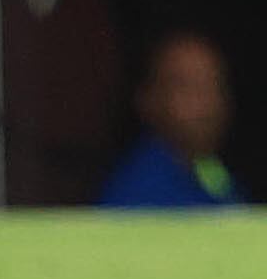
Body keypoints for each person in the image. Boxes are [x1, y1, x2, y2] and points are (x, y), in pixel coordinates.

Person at [96, 32, 242, 208]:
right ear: (148, 99)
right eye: (188, 87)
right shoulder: (137, 191)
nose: (207, 103)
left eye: (215, 85)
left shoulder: (212, 172)